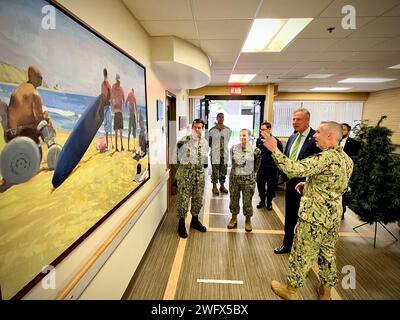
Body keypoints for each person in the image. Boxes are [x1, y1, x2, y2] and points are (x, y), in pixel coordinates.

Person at [262, 121, 353, 300]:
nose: (314, 135)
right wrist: (310, 184)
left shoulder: (325, 157)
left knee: (302, 252)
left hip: (313, 217)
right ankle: (325, 290)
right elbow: (339, 186)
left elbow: (293, 169)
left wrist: (275, 149)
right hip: (332, 217)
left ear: (329, 135)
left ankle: (290, 289)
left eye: (318, 132)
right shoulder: (346, 160)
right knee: (327, 253)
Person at [274, 108, 320, 254]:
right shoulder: (293, 137)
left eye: (298, 119)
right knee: (290, 215)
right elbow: (287, 158)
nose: (294, 122)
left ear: (307, 120)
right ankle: (287, 244)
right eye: (293, 119)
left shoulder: (316, 139)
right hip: (291, 183)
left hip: (307, 186)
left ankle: (304, 248)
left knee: (306, 218)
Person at [175, 119, 209, 238]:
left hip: (199, 177)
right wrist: (179, 175)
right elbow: (176, 158)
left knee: (198, 200)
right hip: (185, 177)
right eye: (195, 127)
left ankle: (195, 221)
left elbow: (204, 159)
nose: (197, 129)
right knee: (183, 201)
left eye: (200, 127)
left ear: (202, 129)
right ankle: (181, 224)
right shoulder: (183, 142)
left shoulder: (205, 143)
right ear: (192, 128)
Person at [6, 66, 53, 143]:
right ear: (32, 77)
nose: (41, 80)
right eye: (39, 77)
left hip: (11, 133)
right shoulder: (35, 94)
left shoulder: (19, 89)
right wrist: (46, 117)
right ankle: (49, 142)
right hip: (23, 133)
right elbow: (39, 120)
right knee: (46, 121)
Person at [228, 129, 261, 232]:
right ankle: (234, 218)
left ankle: (248, 221)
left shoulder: (256, 151)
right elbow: (233, 163)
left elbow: (257, 166)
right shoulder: (233, 148)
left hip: (248, 181)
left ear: (249, 137)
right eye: (241, 135)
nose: (243, 137)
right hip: (235, 180)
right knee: (234, 199)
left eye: (245, 135)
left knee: (247, 201)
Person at [256, 121, 283, 210]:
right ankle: (262, 201)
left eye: (264, 129)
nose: (262, 131)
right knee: (260, 186)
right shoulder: (259, 141)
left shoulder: (276, 141)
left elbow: (280, 156)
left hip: (272, 169)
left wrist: (279, 170)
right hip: (261, 168)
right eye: (261, 130)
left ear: (269, 130)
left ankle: (269, 202)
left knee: (271, 187)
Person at [340, 123, 361, 220]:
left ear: (348, 131)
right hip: (335, 172)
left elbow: (357, 157)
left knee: (343, 192)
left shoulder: (354, 143)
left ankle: (341, 212)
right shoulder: (334, 141)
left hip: (347, 172)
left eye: (343, 129)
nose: (341, 131)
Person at [208, 113, 232, 195]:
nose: (221, 118)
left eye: (222, 117)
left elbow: (227, 140)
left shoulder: (228, 130)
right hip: (215, 154)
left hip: (224, 154)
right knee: (215, 170)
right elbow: (209, 143)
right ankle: (214, 186)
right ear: (217, 118)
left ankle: (222, 185)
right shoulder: (212, 131)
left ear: (224, 118)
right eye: (219, 117)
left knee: (223, 170)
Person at [111, 73, 125, 151]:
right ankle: (117, 147)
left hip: (119, 112)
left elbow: (123, 98)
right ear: (116, 80)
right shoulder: (114, 87)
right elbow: (112, 97)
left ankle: (121, 146)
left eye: (119, 80)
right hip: (117, 112)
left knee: (120, 130)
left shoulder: (120, 89)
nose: (118, 81)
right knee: (117, 130)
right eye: (118, 80)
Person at [101, 68, 113, 150]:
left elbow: (109, 96)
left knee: (108, 125)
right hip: (106, 107)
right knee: (107, 126)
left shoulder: (106, 84)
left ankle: (108, 144)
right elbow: (104, 95)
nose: (105, 76)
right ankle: (107, 145)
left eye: (105, 75)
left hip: (106, 107)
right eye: (104, 75)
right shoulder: (105, 84)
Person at [126, 88, 138, 153]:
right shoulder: (130, 96)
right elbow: (126, 103)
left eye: (133, 92)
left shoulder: (134, 98)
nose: (132, 93)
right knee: (129, 131)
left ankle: (133, 147)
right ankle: (128, 147)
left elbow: (136, 108)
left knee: (133, 131)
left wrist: (137, 118)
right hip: (131, 115)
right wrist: (128, 111)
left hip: (133, 115)